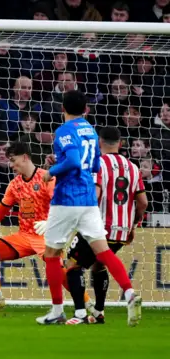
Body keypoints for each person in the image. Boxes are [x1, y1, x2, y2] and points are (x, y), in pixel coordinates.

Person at [35, 90, 141, 326]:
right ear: (86, 109)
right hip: (89, 201)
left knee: (52, 254)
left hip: (67, 199)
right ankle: (130, 292)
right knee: (103, 252)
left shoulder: (64, 131)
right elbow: (93, 164)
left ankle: (57, 310)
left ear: (63, 108)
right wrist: (62, 162)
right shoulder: (91, 131)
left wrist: (51, 172)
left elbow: (73, 160)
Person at [0, 141, 92, 311]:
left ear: (25, 157)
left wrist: (51, 223)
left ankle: (88, 304)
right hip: (24, 236)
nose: (11, 165)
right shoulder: (15, 185)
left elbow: (63, 204)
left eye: (13, 160)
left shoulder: (46, 178)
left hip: (47, 236)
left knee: (60, 271)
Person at [57, 127, 147, 325]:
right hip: (121, 230)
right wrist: (133, 225)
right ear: (121, 144)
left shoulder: (97, 164)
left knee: (72, 265)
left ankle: (79, 313)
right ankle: (98, 312)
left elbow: (95, 195)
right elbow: (143, 203)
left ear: (99, 143)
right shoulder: (133, 167)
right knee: (98, 266)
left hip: (98, 228)